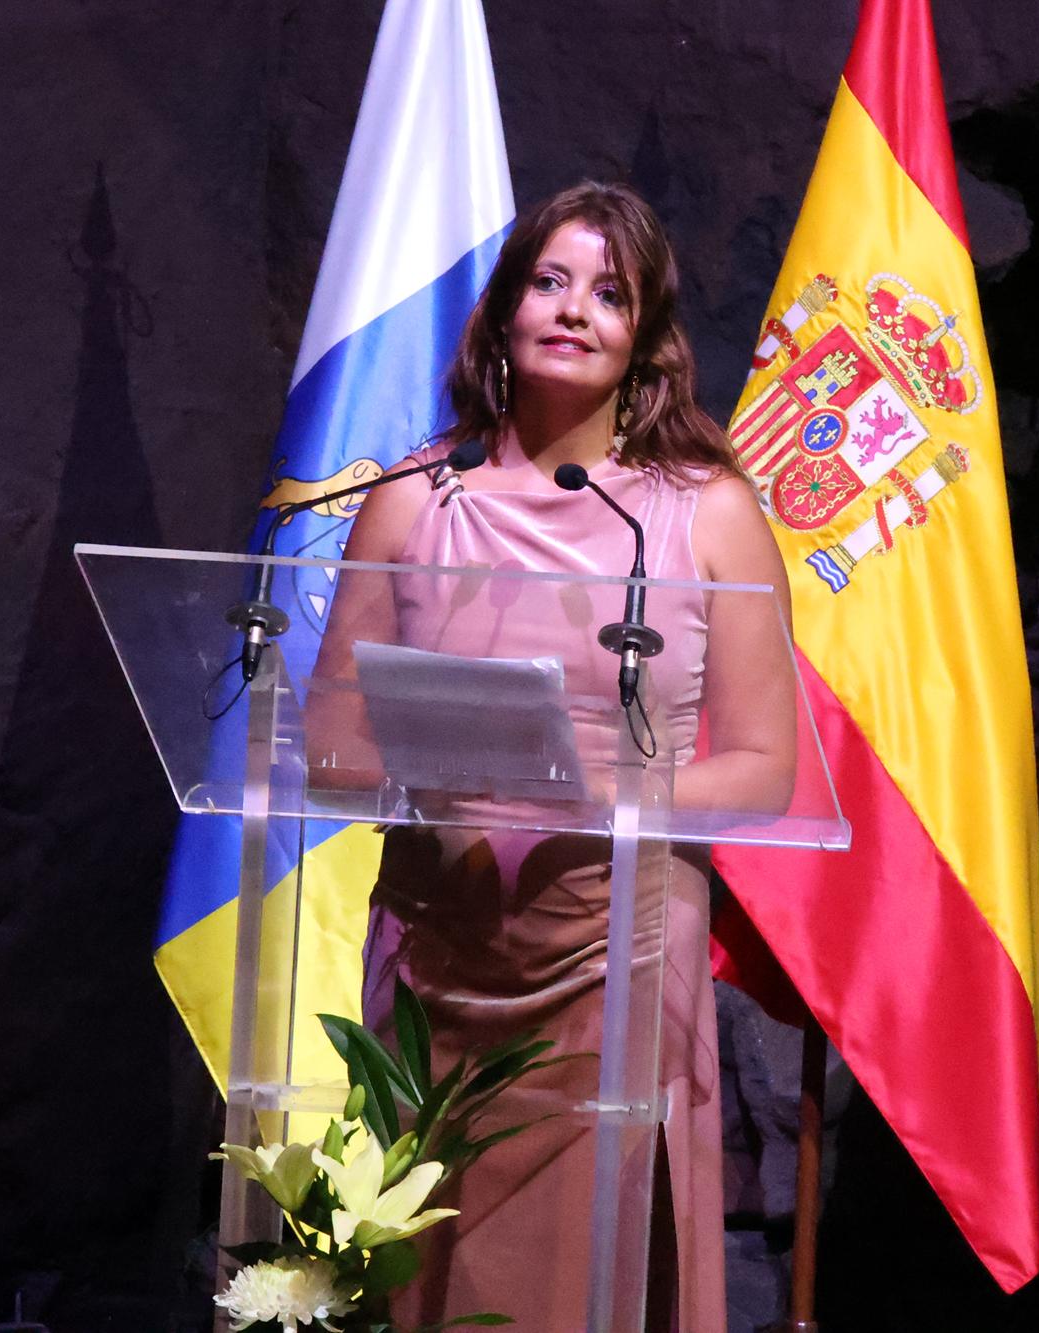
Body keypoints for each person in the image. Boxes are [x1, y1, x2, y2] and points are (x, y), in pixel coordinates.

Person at [312, 181, 794, 1332]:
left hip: (611, 951)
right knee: (423, 1270)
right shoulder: (409, 503)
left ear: (646, 339)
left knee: (590, 1269)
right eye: (550, 280)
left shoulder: (705, 513)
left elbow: (766, 767)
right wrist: (445, 788)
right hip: (441, 939)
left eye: (610, 293)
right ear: (503, 312)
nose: (576, 310)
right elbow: (329, 740)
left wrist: (602, 796)